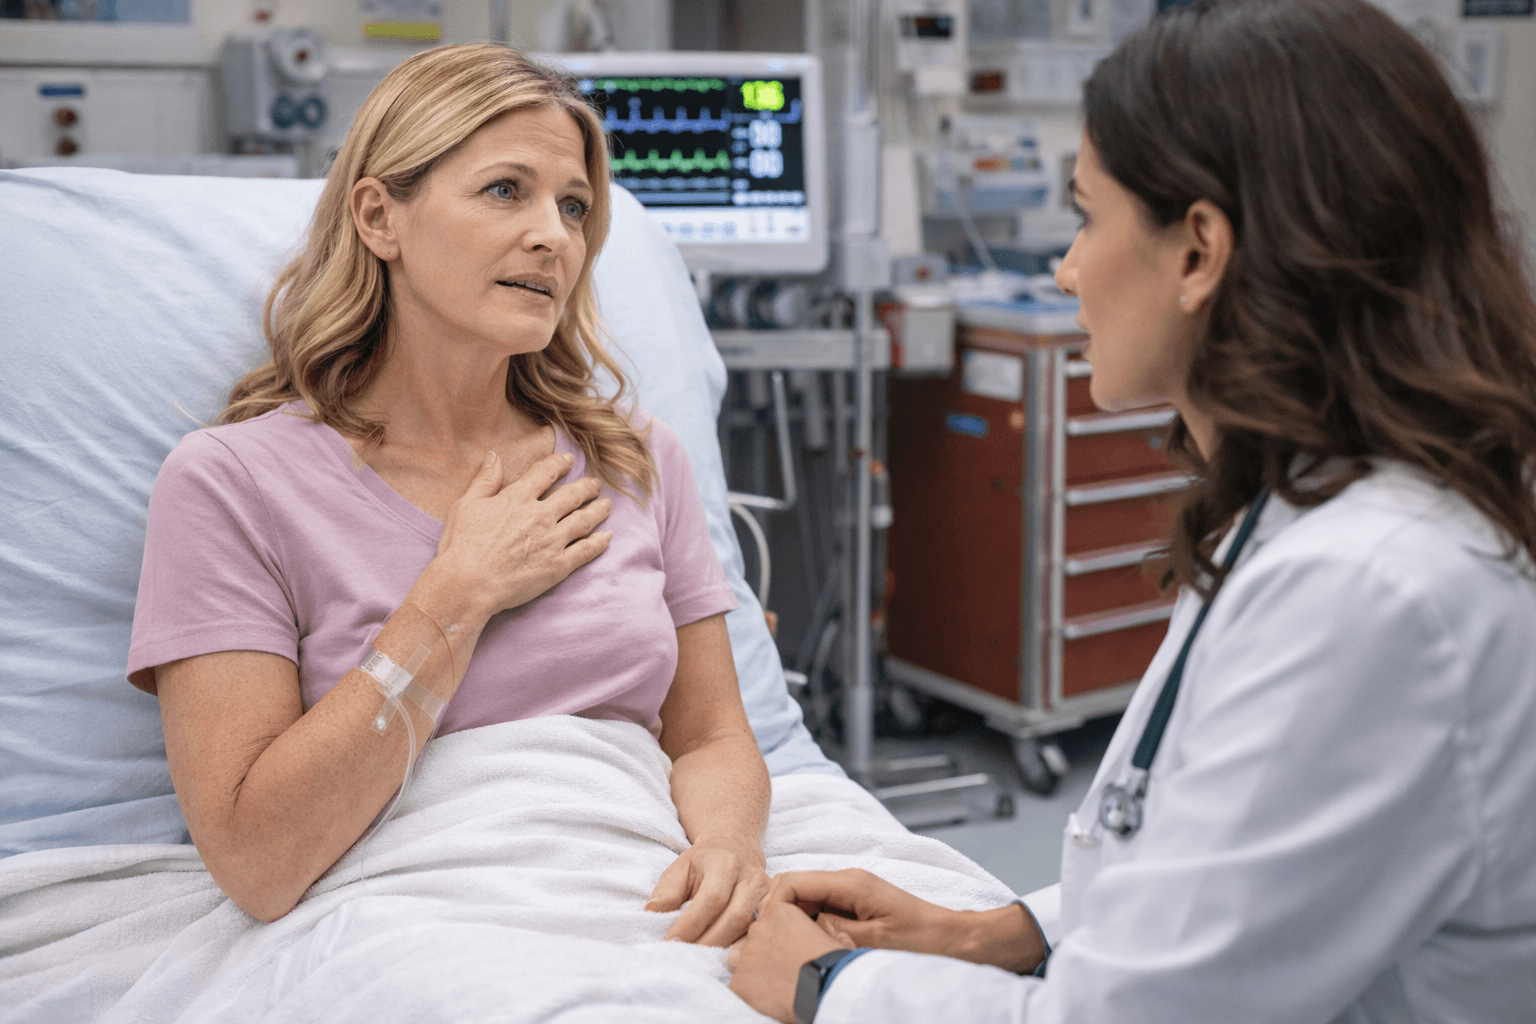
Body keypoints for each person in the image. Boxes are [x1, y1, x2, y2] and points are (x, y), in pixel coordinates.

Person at [729, 0, 1536, 1020]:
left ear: (1198, 251)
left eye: (1085, 215)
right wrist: (1000, 934)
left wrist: (829, 987)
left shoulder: (1373, 589)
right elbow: (1227, 864)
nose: (1066, 269)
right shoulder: (1315, 508)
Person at [126, 45, 771, 939]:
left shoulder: (632, 459)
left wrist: (732, 850)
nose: (555, 235)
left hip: (648, 882)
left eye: (574, 206)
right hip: (418, 909)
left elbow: (709, 737)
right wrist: (458, 593)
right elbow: (256, 860)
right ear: (379, 217)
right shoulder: (233, 482)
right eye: (506, 190)